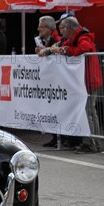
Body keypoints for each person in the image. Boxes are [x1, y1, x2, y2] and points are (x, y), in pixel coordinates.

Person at [42, 16, 103, 154]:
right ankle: (90, 142)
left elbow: (82, 48)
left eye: (62, 28)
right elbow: (65, 46)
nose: (61, 31)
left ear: (69, 28)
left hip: (89, 79)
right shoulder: (75, 38)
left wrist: (62, 50)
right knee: (87, 112)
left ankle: (94, 143)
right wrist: (53, 50)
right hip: (84, 79)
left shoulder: (83, 37)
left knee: (89, 112)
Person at [36, 15, 66, 148]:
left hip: (58, 79)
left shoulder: (57, 39)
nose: (38, 29)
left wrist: (46, 51)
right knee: (51, 108)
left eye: (41, 27)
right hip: (51, 79)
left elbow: (59, 52)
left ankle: (62, 137)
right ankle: (55, 136)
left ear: (49, 28)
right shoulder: (44, 39)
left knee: (59, 108)